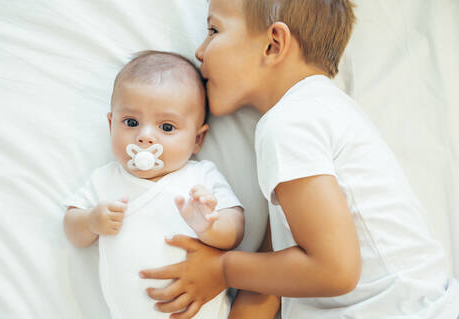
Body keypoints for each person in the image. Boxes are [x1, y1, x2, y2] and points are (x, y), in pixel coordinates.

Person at [139, 1, 459, 319]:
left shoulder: (289, 123)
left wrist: (224, 269)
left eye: (213, 30)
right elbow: (270, 277)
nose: (199, 50)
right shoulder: (314, 115)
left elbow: (335, 270)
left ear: (273, 44)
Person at [63, 50, 244, 319]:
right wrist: (90, 221)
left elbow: (237, 229)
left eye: (167, 127)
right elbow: (71, 229)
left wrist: (210, 226)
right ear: (111, 124)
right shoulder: (104, 180)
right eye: (131, 123)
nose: (145, 137)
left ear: (197, 139)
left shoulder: (200, 177)